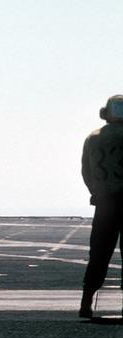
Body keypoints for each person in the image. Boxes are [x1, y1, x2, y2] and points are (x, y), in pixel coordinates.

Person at [80, 95, 123, 318]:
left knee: (98, 253)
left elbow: (86, 172)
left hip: (105, 203)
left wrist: (97, 192)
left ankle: (86, 302)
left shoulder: (93, 138)